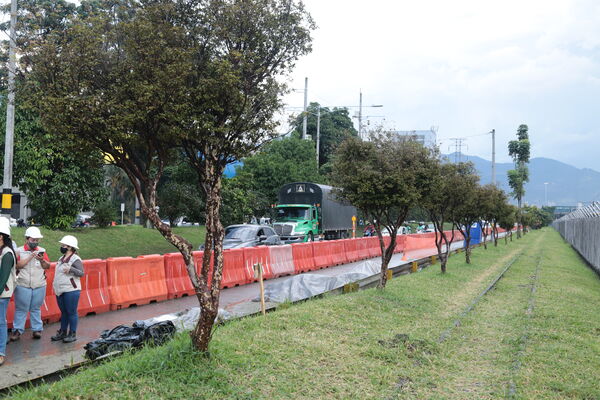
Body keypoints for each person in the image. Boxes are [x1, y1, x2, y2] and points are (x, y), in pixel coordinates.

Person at [10, 227, 51, 341]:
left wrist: (42, 260)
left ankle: (37, 330)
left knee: (36, 308)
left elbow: (48, 266)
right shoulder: (18, 251)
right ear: (27, 239)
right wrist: (31, 256)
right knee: (21, 309)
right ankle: (17, 330)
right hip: (23, 284)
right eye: (33, 240)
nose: (35, 242)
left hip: (39, 284)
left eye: (37, 240)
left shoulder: (42, 250)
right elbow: (17, 266)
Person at [51, 235, 83, 343]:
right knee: (64, 312)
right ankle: (63, 332)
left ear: (69, 247)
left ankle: (72, 333)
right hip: (60, 289)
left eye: (63, 245)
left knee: (71, 312)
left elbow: (81, 273)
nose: (62, 246)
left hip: (71, 290)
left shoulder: (75, 259)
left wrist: (71, 269)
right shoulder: (61, 258)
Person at [0, 217, 16, 366]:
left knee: (1, 323)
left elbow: (3, 278)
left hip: (1, 295)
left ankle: (1, 352)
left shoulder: (7, 254)